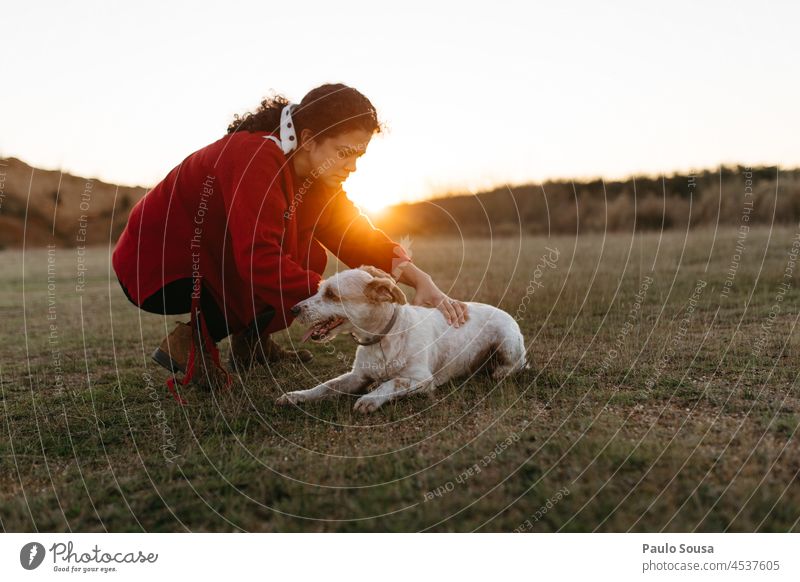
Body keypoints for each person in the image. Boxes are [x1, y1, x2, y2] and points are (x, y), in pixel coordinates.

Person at [112, 83, 468, 403]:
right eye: (345, 152)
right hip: (159, 266)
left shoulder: (313, 176)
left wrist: (422, 281)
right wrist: (332, 299)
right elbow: (257, 258)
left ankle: (252, 344)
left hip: (210, 256)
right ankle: (190, 341)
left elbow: (354, 234)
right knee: (293, 263)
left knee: (307, 257)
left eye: (358, 156)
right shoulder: (256, 157)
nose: (353, 166)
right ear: (310, 139)